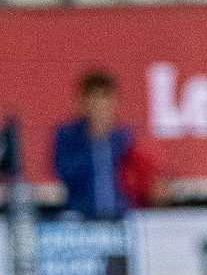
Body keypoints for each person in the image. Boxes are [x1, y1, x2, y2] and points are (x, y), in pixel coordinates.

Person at [52, 70, 147, 218]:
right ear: (82, 102)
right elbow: (65, 173)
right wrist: (94, 140)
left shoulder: (124, 137)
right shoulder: (67, 136)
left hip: (120, 217)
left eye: (104, 97)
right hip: (81, 217)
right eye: (94, 98)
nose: (99, 105)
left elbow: (141, 173)